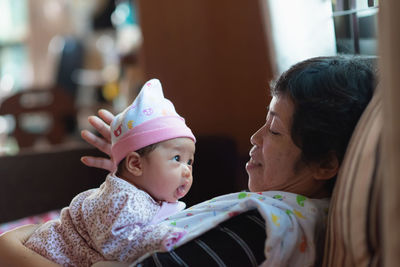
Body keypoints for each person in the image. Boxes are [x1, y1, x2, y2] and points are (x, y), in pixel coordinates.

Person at [0, 56, 376, 267]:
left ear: (325, 163)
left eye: (274, 131)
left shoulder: (257, 230)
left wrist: (11, 246)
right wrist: (137, 186)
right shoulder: (294, 215)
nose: (255, 137)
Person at [22, 79, 196, 266]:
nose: (187, 170)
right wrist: (163, 236)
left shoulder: (144, 195)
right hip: (46, 254)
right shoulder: (123, 199)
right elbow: (117, 245)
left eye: (190, 161)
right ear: (136, 164)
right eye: (177, 159)